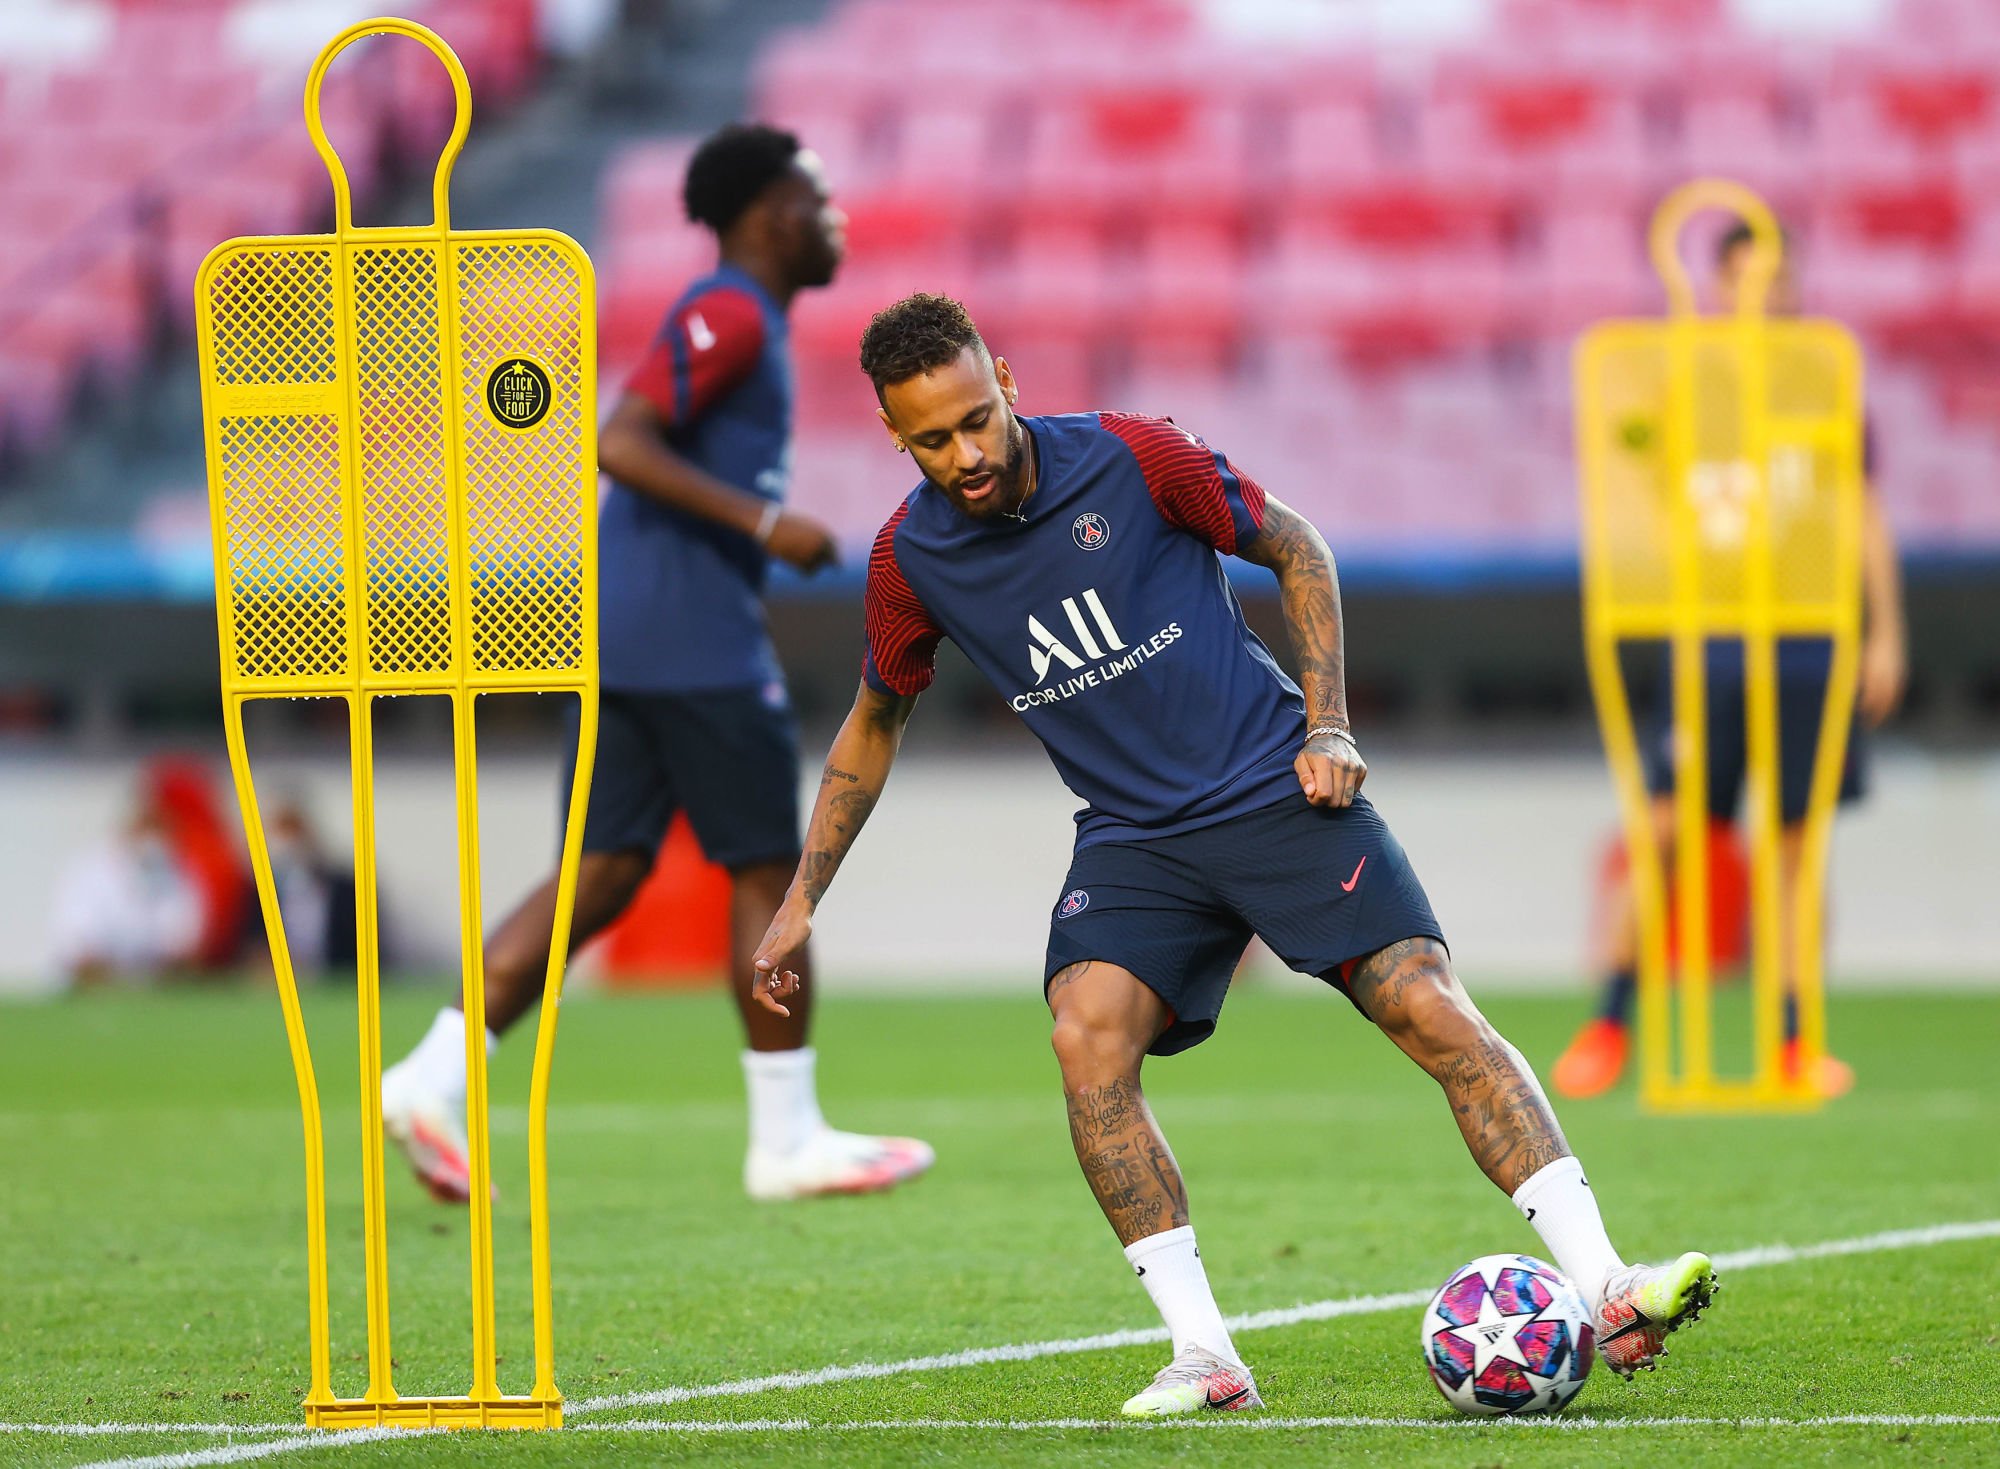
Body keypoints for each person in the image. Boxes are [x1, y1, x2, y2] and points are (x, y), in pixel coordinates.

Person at [749, 293, 1716, 1416]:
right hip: (1134, 834)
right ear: (892, 435)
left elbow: (1293, 543)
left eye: (975, 419)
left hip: (1271, 782)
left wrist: (1328, 722)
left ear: (1002, 378)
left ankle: (1603, 1283)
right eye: (931, 438)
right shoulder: (908, 558)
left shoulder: (1131, 454)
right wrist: (799, 898)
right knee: (1084, 1038)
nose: (963, 453)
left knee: (1423, 1003)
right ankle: (1204, 1354)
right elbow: (874, 722)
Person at [381, 124, 932, 1204]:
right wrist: (767, 521)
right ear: (771, 209)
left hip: (631, 634)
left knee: (607, 870)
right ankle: (785, 1133)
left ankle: (430, 1074)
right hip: (690, 636)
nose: (835, 220)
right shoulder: (726, 309)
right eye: (817, 197)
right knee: (772, 870)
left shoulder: (750, 318)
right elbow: (619, 438)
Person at [1553, 221, 1909, 1101]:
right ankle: (1608, 1020)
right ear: (1716, 285)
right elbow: (1631, 471)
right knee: (1666, 828)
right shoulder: (1689, 383)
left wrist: (1885, 631)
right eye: (1748, 278)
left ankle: (1795, 1037)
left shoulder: (1824, 379)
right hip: (1710, 635)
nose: (1767, 295)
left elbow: (1860, 509)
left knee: (1795, 845)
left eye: (1780, 277)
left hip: (1805, 632)